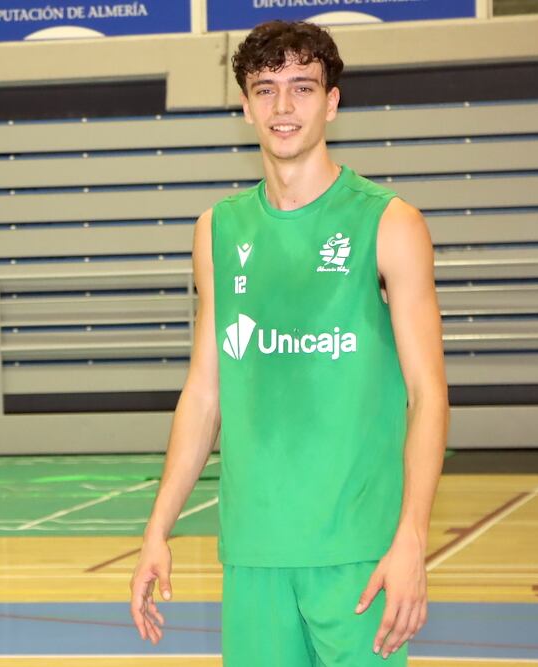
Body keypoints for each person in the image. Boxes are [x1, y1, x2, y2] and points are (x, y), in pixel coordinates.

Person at [129, 20, 448, 666]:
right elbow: (204, 390)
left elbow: (428, 393)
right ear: (244, 105)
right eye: (265, 89)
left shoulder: (389, 223)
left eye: (302, 87)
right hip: (254, 555)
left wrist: (412, 537)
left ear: (331, 101)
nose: (283, 107)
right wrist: (158, 525)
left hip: (358, 556)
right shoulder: (217, 230)